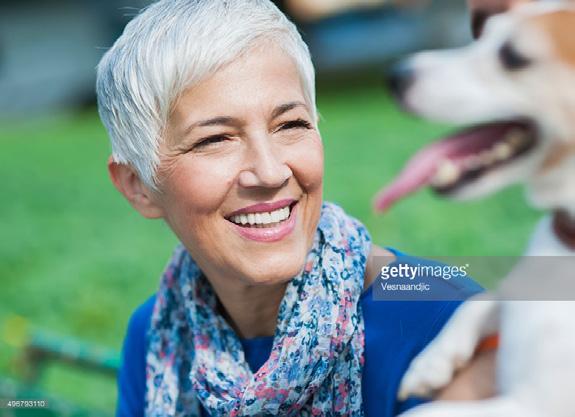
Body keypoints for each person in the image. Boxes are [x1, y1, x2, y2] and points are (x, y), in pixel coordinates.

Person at [96, 1, 495, 416]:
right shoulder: (155, 334)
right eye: (214, 139)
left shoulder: (444, 322)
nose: (268, 172)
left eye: (291, 125)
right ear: (138, 186)